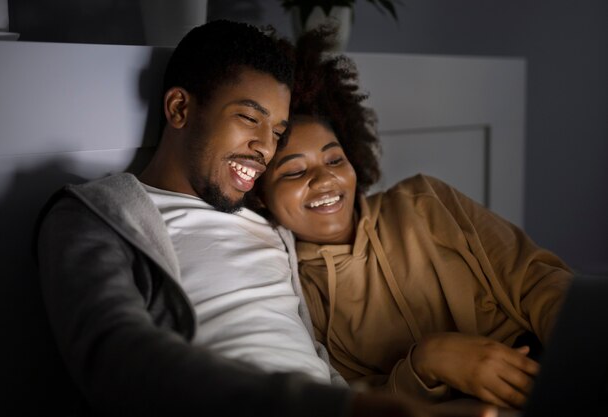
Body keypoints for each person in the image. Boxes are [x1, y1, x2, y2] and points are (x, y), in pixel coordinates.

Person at [35, 20, 492, 417]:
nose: (266, 149)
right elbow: (115, 358)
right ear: (179, 109)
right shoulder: (96, 214)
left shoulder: (272, 224)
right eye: (248, 119)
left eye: (276, 131)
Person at [256, 28, 573, 410]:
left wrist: (579, 350)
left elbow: (538, 280)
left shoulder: (424, 200)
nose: (325, 179)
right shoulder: (301, 296)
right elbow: (367, 403)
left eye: (335, 159)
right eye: (293, 172)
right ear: (260, 193)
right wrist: (429, 360)